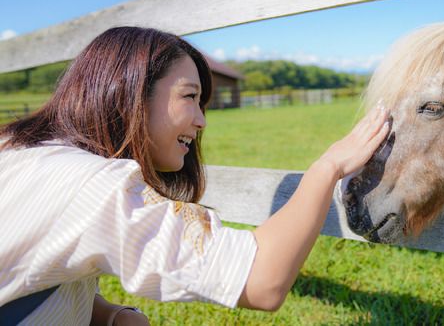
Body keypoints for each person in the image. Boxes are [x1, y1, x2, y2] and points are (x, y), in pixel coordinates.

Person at [0, 27, 389, 324]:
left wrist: (108, 315)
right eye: (189, 97)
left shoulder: (19, 150)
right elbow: (262, 279)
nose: (202, 121)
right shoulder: (92, 185)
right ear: (128, 92)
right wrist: (328, 167)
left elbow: (30, 272)